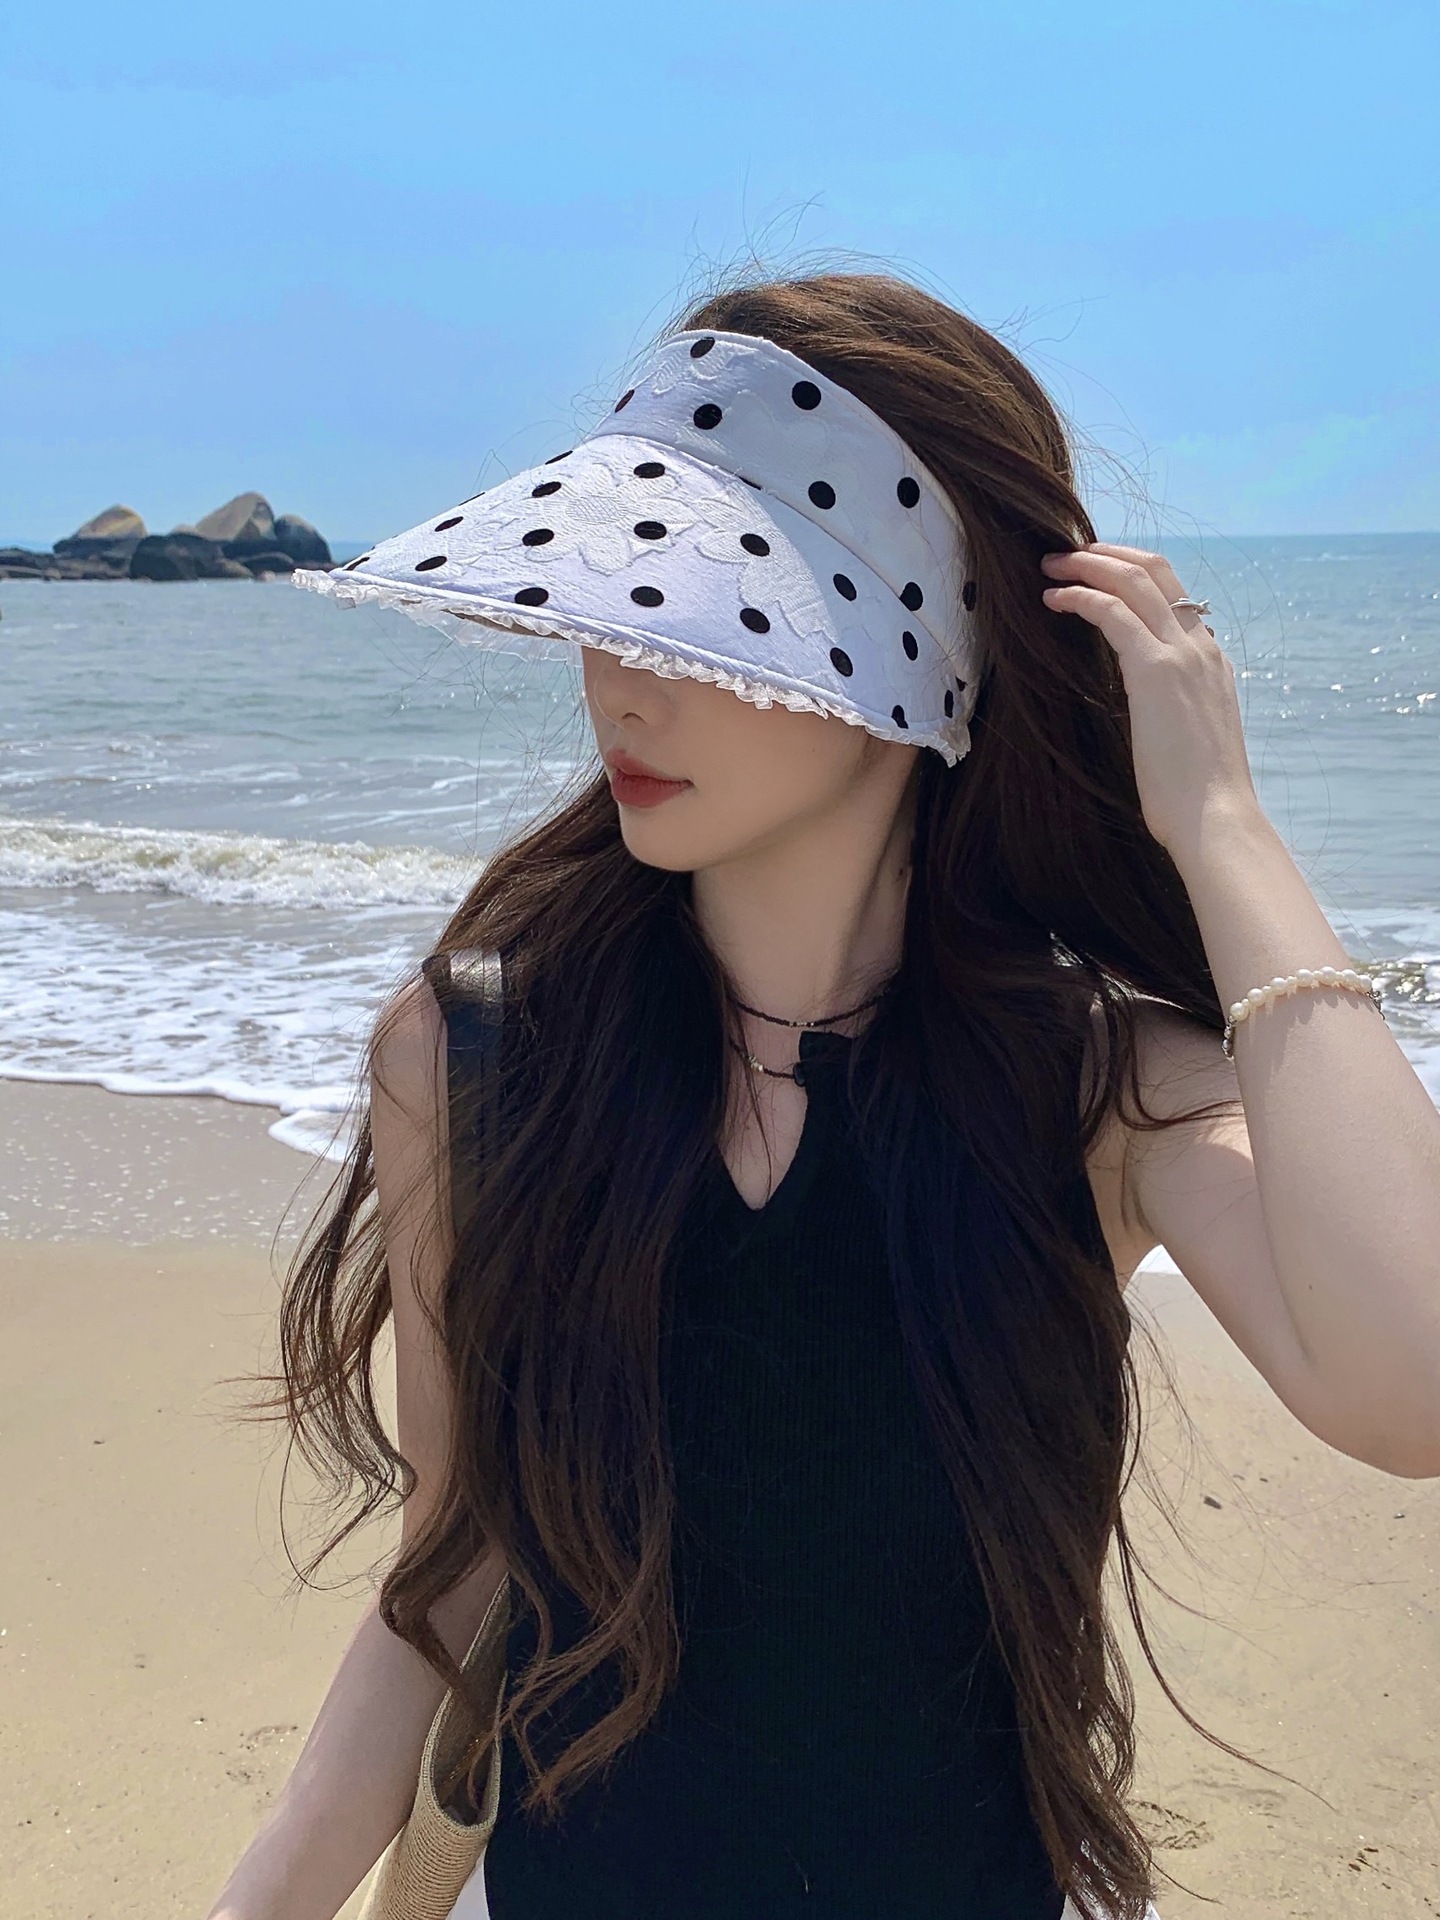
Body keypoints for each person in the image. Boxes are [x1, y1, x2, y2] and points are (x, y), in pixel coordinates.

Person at [207, 272, 1440, 1920]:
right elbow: (453, 1572)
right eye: (615, 600)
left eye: (709, 615)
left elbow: (1411, 1386)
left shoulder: (1096, 1086)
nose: (621, 680)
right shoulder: (475, 1056)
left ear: (929, 647)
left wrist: (1221, 827)